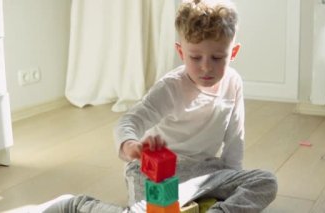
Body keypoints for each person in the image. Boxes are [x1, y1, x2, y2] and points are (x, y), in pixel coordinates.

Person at [40, 0, 277, 212]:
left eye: (217, 58)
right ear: (180, 52)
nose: (206, 68)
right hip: (155, 174)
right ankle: (78, 205)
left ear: (233, 52)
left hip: (205, 172)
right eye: (195, 58)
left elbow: (235, 138)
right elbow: (129, 121)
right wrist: (130, 145)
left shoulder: (233, 82)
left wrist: (231, 181)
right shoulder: (171, 87)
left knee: (266, 181)